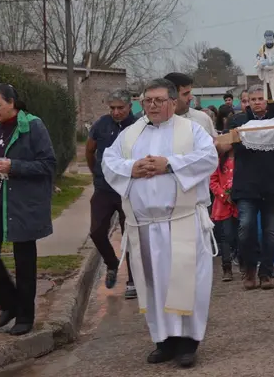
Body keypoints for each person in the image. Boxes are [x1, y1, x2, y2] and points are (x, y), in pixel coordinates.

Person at [102, 78, 218, 368]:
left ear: (173, 102)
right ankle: (164, 341)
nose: (152, 105)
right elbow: (108, 161)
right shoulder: (131, 133)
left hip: (182, 221)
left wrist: (170, 164)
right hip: (145, 226)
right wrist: (132, 167)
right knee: (154, 284)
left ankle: (188, 343)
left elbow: (208, 158)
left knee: (188, 283)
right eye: (147, 100)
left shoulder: (191, 130)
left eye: (158, 100)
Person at [0, 83, 56, 336]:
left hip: (23, 205)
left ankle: (25, 316)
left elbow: (48, 164)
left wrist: (15, 166)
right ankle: (10, 304)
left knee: (24, 262)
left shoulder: (33, 126)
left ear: (12, 103)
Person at [228, 85, 274, 290]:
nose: (256, 102)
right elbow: (237, 148)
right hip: (247, 184)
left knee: (270, 232)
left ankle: (266, 272)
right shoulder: (238, 121)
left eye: (260, 98)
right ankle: (249, 269)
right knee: (246, 227)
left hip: (272, 184)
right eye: (252, 99)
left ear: (267, 101)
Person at [86, 89, 137, 298]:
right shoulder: (101, 124)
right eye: (112, 108)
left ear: (129, 106)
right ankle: (111, 263)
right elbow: (90, 150)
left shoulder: (138, 126)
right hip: (104, 188)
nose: (116, 112)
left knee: (130, 235)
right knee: (96, 231)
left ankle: (133, 280)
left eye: (120, 108)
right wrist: (96, 172)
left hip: (128, 189)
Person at [210, 146, 238, 282]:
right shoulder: (219, 161)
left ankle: (244, 264)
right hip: (224, 205)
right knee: (226, 235)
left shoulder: (242, 159)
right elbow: (213, 181)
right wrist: (224, 195)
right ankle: (227, 267)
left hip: (239, 203)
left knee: (241, 235)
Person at [163, 72, 217, 139]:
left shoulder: (202, 118)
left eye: (190, 92)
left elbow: (215, 142)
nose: (190, 97)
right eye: (185, 94)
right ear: (170, 96)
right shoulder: (156, 123)